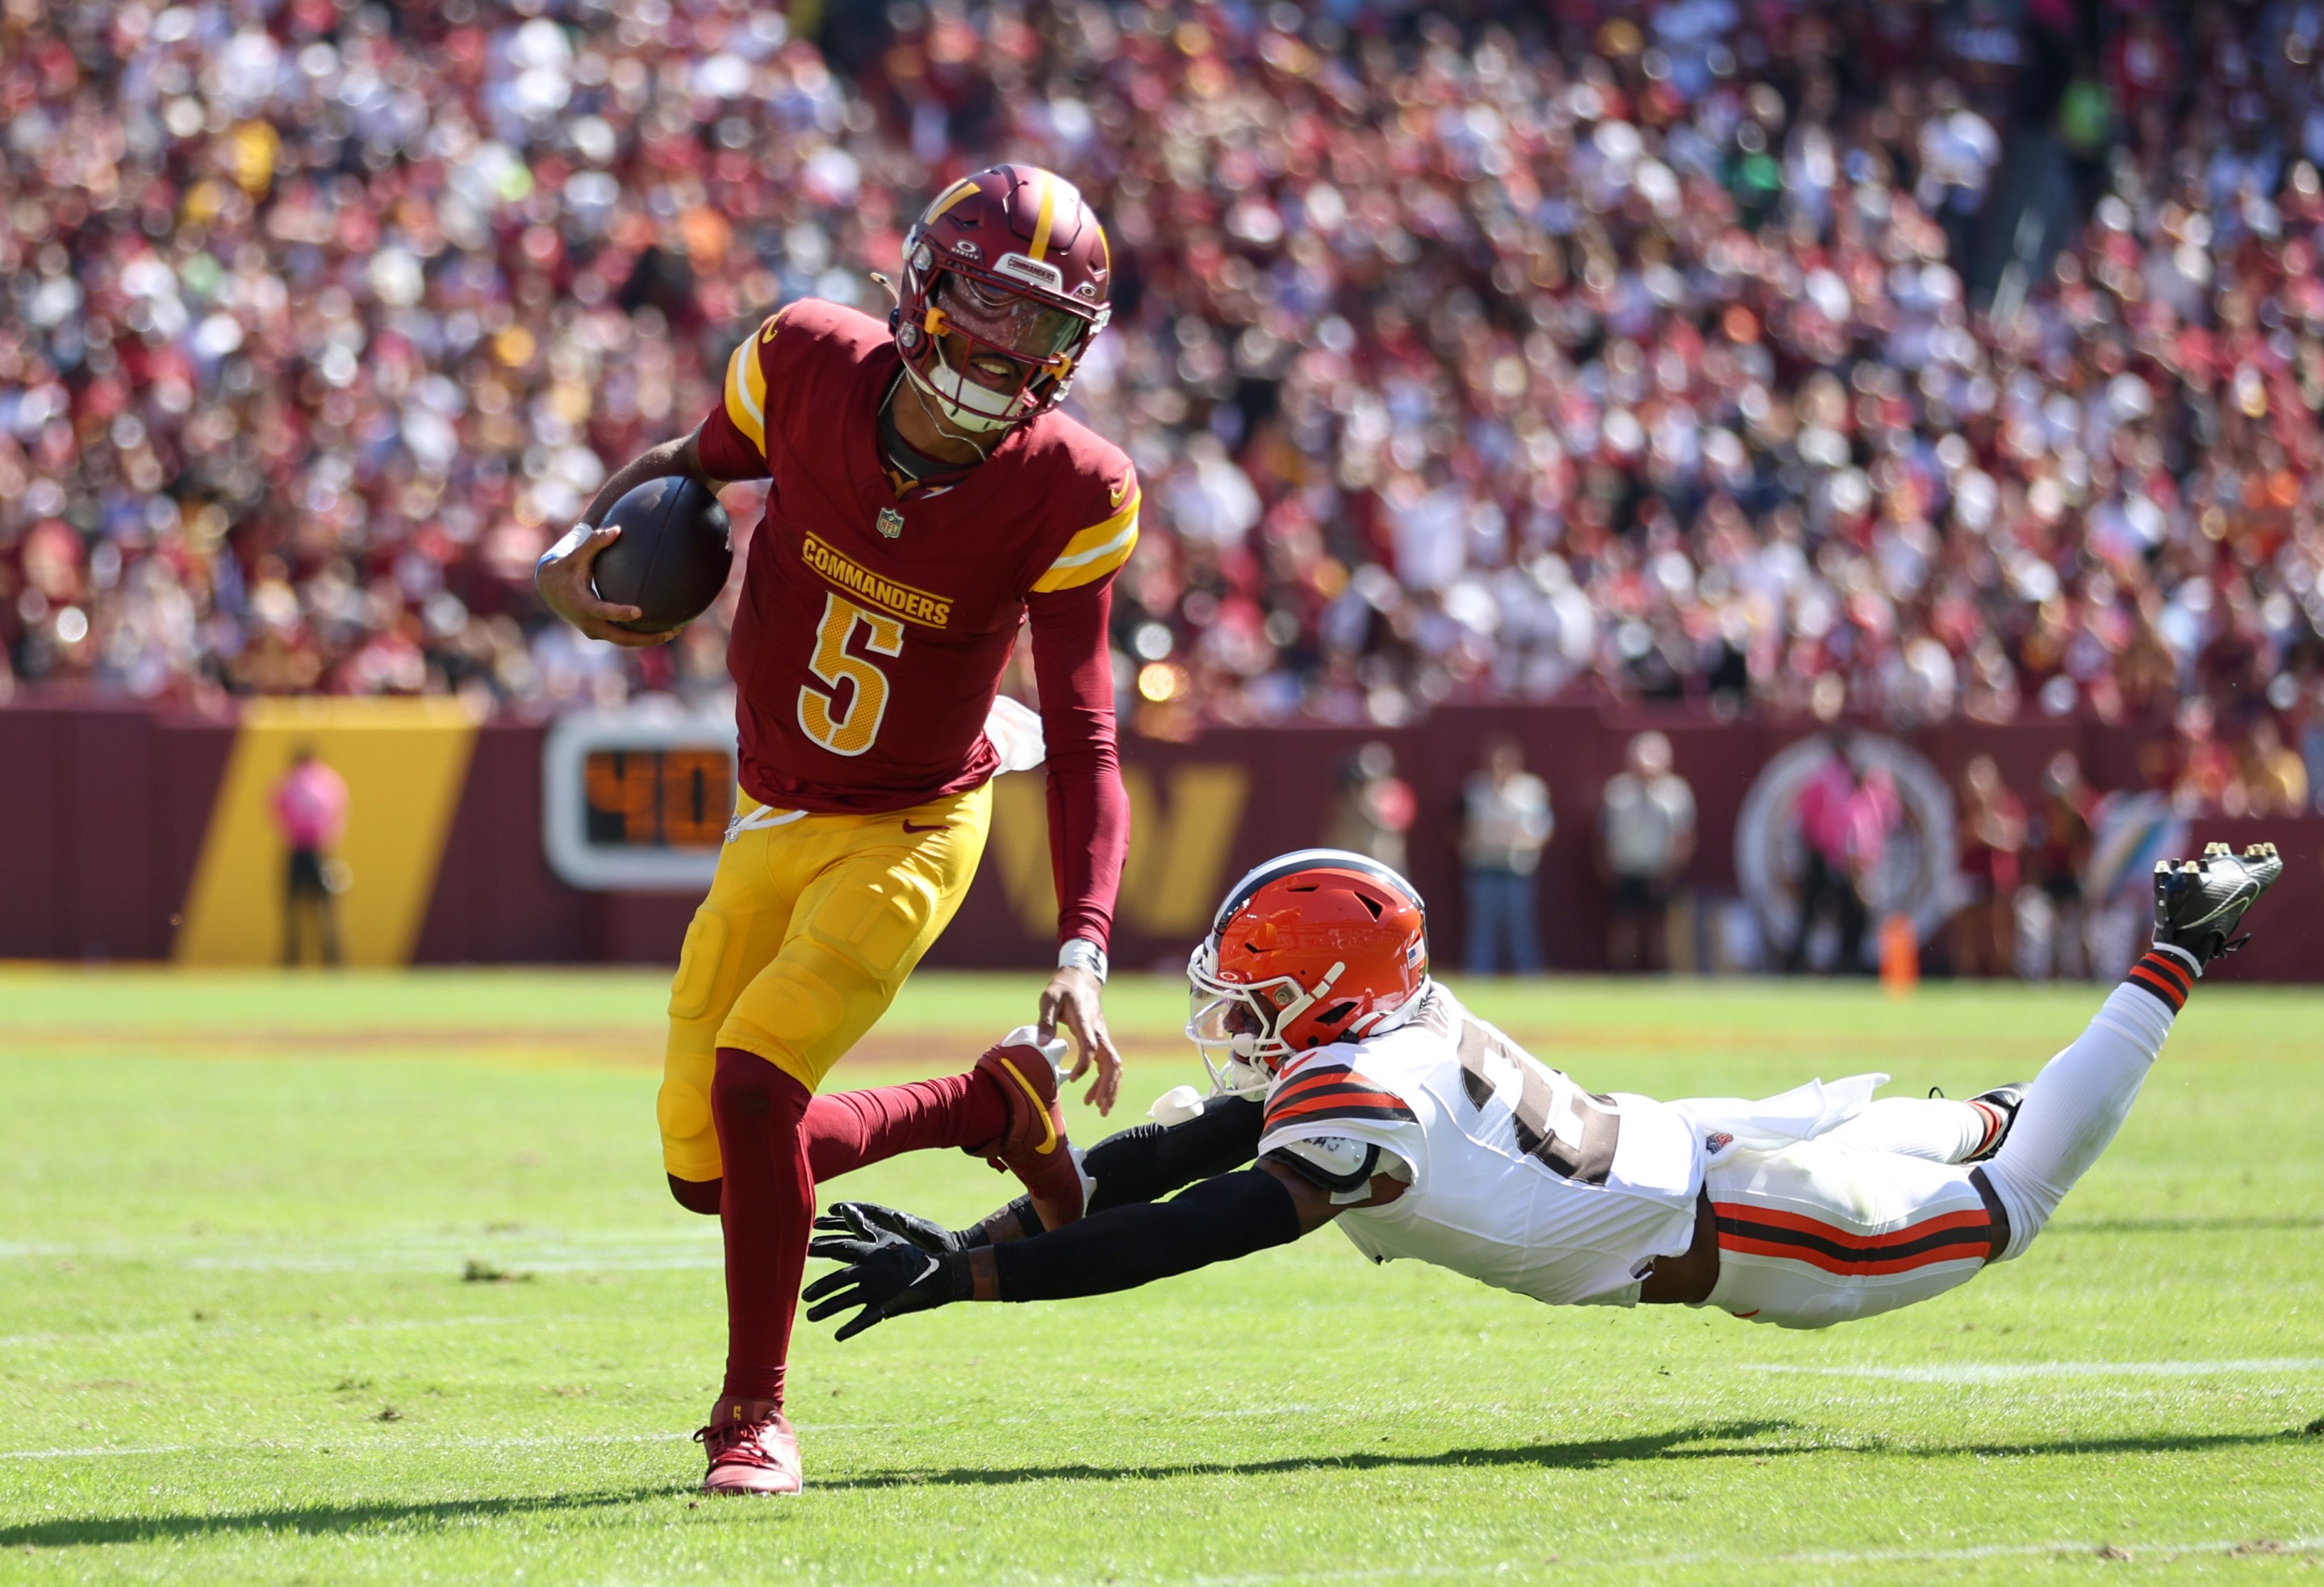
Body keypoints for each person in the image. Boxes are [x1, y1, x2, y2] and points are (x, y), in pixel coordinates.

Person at [533, 166, 1139, 1496]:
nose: (1003, 348)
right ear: (923, 284)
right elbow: (686, 471)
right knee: (713, 1172)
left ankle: (752, 1415)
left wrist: (1083, 947)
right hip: (774, 810)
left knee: (758, 1088)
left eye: (1040, 327)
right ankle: (993, 1102)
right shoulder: (802, 358)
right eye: (985, 304)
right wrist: (576, 548)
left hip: (919, 820)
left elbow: (1087, 732)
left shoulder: (1075, 486)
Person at [805, 842, 2282, 1356]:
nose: (1231, 1026)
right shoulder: (1392, 1022)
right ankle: (2158, 960)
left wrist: (977, 1278)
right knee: (1984, 1123)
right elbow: (1182, 1148)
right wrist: (981, 1231)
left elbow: (1193, 1226)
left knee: (2014, 1195)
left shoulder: (1357, 1094)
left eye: (1255, 995)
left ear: (1327, 991)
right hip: (1704, 1139)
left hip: (1753, 1222)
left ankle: (2176, 954)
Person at [1783, 732, 1895, 974]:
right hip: (1824, 857)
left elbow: (1884, 820)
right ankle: (1797, 963)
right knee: (1812, 911)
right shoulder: (1825, 779)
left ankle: (1850, 960)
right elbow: (1808, 819)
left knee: (1856, 913)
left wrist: (1868, 855)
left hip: (1859, 863)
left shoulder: (1874, 786)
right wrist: (1823, 850)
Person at [1597, 732, 1695, 972]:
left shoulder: (1676, 793)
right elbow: (1602, 834)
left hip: (1659, 869)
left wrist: (1672, 869)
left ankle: (1659, 972)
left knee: (1659, 925)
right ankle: (1621, 972)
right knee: (1624, 923)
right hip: (1626, 868)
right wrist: (1604, 865)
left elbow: (1685, 836)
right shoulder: (1617, 792)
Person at [1460, 736, 1553, 975]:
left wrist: (1525, 843)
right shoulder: (1476, 789)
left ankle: (1528, 976)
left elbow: (1543, 827)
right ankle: (1479, 976)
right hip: (1484, 866)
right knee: (1482, 928)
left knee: (1521, 928)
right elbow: (1460, 825)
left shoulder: (1531, 790)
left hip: (1516, 867)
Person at [1949, 755, 2025, 979]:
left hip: (2000, 877)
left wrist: (1986, 831)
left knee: (1999, 931)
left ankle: (2002, 975)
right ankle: (1967, 975)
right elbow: (1961, 839)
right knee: (1967, 929)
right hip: (1972, 875)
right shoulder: (1964, 807)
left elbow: (2013, 838)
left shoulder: (2007, 804)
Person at [272, 747, 348, 967]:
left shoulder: (288, 783)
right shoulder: (328, 782)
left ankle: (292, 961)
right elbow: (337, 813)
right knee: (327, 910)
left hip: (297, 850)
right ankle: (333, 962)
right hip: (320, 851)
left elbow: (277, 811)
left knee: (293, 909)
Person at [1324, 741, 1417, 875]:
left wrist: (1366, 806)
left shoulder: (1393, 792)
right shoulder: (1347, 805)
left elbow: (1393, 824)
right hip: (1353, 866)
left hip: (1387, 865)